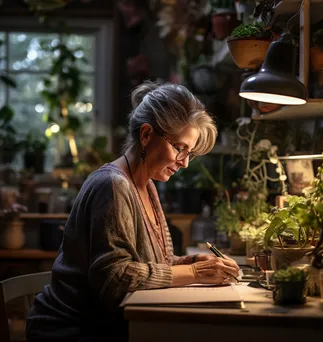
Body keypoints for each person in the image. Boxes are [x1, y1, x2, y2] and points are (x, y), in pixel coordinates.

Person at [26, 81, 240, 342]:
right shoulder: (113, 184)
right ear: (147, 134)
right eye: (179, 148)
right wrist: (194, 275)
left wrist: (192, 263)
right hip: (73, 330)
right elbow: (115, 278)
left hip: (104, 326)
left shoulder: (146, 184)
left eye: (190, 153)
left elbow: (146, 266)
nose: (184, 162)